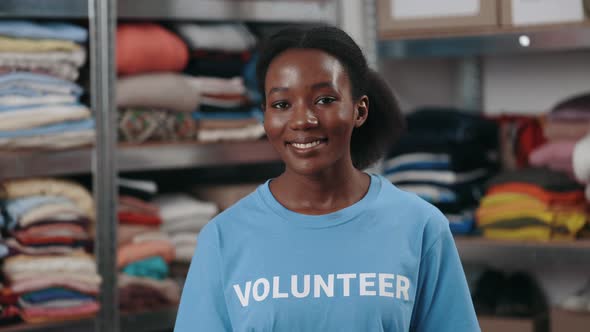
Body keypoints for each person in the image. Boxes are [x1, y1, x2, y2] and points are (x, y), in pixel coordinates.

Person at [174, 25, 479, 332]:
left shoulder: (421, 225)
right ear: (265, 115)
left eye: (324, 100)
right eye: (282, 104)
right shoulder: (224, 237)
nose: (302, 120)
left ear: (359, 110)